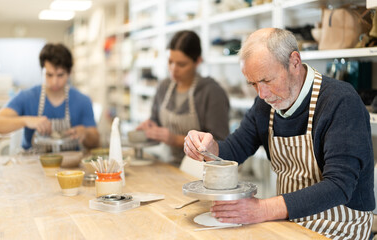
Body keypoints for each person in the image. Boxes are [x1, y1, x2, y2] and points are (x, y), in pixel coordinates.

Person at [184, 28, 375, 239]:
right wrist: (209, 148)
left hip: (340, 225)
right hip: (291, 222)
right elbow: (234, 150)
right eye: (253, 84)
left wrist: (263, 209)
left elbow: (339, 186)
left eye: (267, 80)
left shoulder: (340, 101)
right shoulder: (265, 106)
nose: (262, 94)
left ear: (294, 62)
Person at [137, 30, 230, 165]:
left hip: (200, 171)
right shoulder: (164, 87)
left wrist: (175, 140)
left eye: (181, 64)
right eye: (170, 62)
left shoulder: (212, 92)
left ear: (198, 61)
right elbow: (156, 120)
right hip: (167, 164)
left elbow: (220, 143)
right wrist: (150, 126)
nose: (173, 69)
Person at [0, 43, 99, 151]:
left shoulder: (82, 100)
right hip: (33, 164)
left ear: (69, 73)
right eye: (49, 75)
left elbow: (96, 141)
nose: (54, 82)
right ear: (42, 72)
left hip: (70, 165)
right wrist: (26, 121)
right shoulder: (27, 97)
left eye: (60, 75)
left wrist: (86, 133)